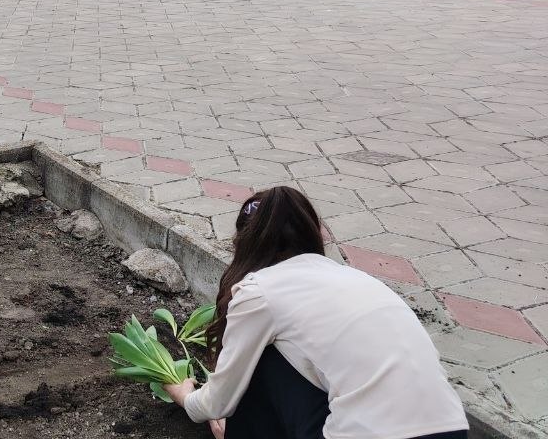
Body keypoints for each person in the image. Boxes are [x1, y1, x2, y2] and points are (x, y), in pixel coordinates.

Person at [161, 186, 469, 439]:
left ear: (245, 244)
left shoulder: (260, 290)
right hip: (452, 430)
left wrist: (186, 396)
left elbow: (218, 400)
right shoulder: (358, 279)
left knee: (260, 361)